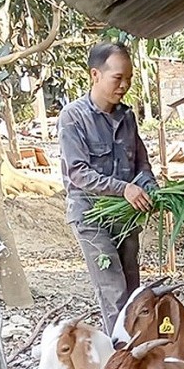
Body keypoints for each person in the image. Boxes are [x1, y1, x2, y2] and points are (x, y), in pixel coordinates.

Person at [58, 42, 157, 335]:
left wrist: (151, 187)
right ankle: (120, 359)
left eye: (129, 78)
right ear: (95, 75)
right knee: (113, 289)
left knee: (132, 288)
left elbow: (142, 163)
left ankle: (137, 346)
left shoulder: (127, 117)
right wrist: (124, 188)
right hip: (90, 216)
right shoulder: (73, 117)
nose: (124, 85)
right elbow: (78, 173)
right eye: (118, 78)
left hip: (124, 217)